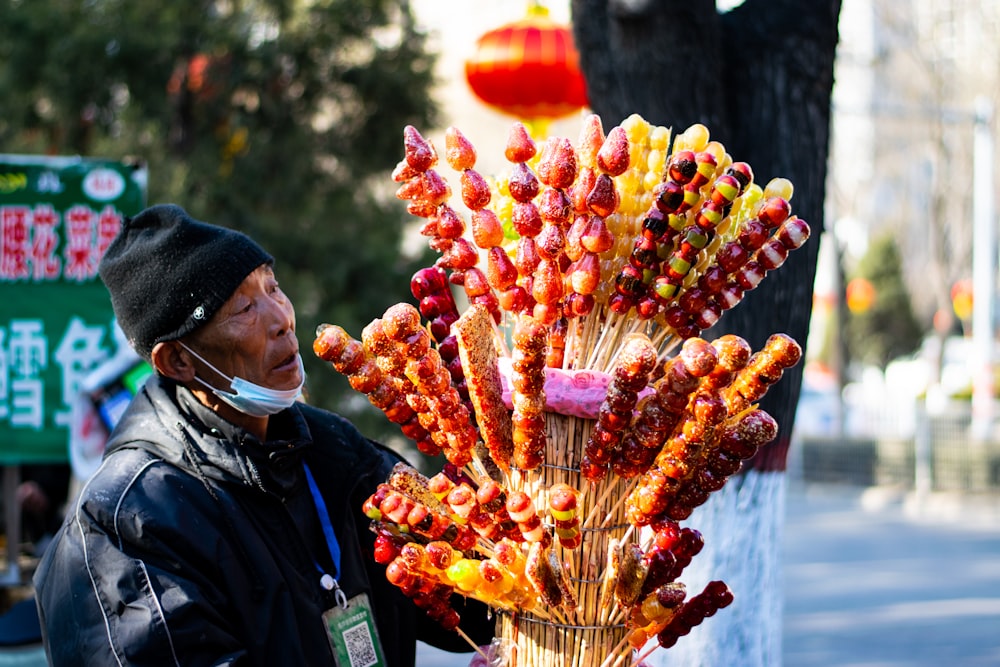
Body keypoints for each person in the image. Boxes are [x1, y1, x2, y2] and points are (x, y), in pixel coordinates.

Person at [32, 204, 494, 666]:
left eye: (273, 288)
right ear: (178, 361)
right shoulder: (124, 523)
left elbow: (473, 609)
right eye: (244, 308)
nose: (280, 319)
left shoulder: (336, 452)